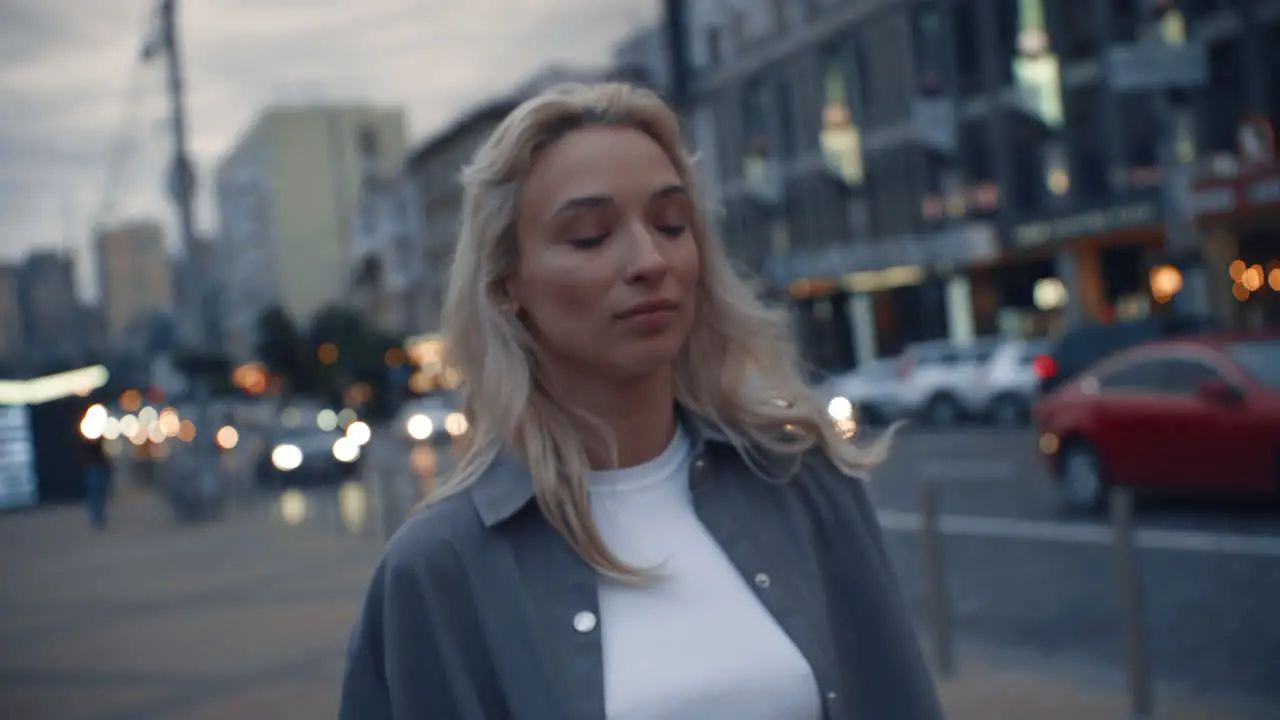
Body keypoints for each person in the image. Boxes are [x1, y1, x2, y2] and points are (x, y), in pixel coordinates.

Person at [340, 82, 943, 719]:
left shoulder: (803, 479)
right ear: (507, 283)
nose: (649, 260)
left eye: (670, 224)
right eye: (590, 236)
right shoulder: (438, 567)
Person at [82, 432, 112, 530]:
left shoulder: (97, 443)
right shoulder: (89, 443)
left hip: (97, 469)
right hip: (95, 469)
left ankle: (98, 516)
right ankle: (98, 516)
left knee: (97, 495)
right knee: (97, 495)